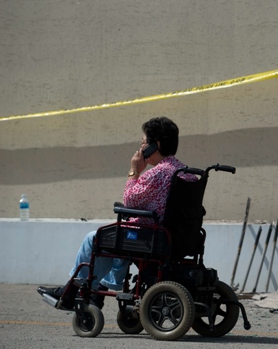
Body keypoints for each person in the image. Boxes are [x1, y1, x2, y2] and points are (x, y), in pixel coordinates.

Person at [38, 116, 190, 309]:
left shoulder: (157, 173)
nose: (141, 148)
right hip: (177, 237)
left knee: (95, 238)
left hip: (152, 237)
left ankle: (72, 290)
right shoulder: (185, 172)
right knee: (120, 237)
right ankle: (97, 291)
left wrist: (134, 170)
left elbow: (129, 200)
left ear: (155, 145)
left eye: (143, 143)